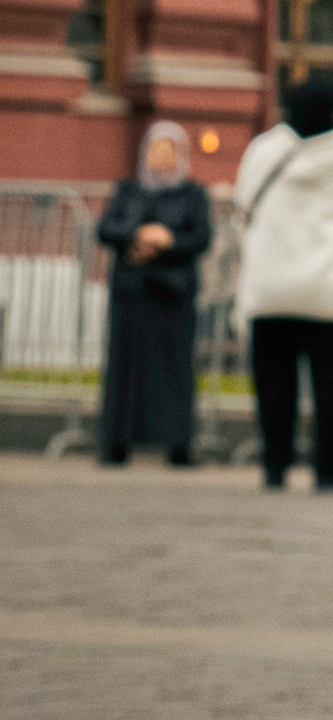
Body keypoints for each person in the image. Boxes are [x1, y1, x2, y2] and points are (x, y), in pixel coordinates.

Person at [235, 73, 333, 494]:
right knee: (330, 388)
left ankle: (275, 464)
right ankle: (327, 469)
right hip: (328, 290)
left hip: (271, 288)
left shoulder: (266, 150)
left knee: (273, 384)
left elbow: (244, 198)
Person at [95, 123, 212, 468]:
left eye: (168, 150)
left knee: (174, 370)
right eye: (155, 149)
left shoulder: (192, 195)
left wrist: (167, 240)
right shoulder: (128, 190)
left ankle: (178, 443)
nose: (160, 156)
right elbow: (107, 228)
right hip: (132, 292)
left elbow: (201, 237)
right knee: (124, 368)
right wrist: (140, 235)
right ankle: (118, 442)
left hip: (173, 293)